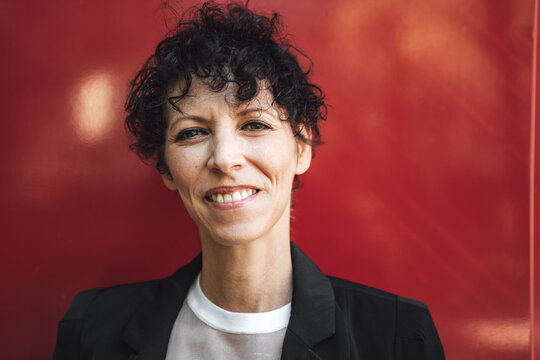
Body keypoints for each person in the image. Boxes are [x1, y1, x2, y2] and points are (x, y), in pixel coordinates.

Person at [53, 2, 445, 359]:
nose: (224, 158)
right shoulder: (91, 331)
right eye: (192, 132)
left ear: (302, 148)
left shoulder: (397, 337)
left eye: (255, 124)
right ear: (167, 170)